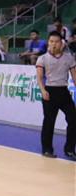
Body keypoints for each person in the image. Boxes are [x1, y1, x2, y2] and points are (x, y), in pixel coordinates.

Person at [35, 32, 76, 160]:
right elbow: (40, 77)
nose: (53, 44)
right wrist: (43, 91)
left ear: (61, 43)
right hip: (49, 91)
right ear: (48, 42)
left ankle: (69, 149)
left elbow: (75, 77)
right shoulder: (42, 58)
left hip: (63, 91)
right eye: (51, 41)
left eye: (56, 41)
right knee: (49, 121)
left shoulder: (69, 58)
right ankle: (47, 149)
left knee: (73, 119)